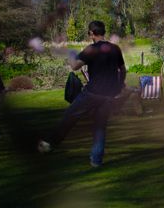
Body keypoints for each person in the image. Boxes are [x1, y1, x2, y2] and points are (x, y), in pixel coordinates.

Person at [38, 21, 126, 167]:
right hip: (108, 96)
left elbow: (74, 66)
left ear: (91, 33)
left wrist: (70, 53)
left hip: (92, 94)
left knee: (69, 116)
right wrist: (118, 86)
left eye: (89, 33)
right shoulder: (115, 49)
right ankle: (96, 161)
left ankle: (49, 143)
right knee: (100, 126)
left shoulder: (91, 50)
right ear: (103, 31)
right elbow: (122, 70)